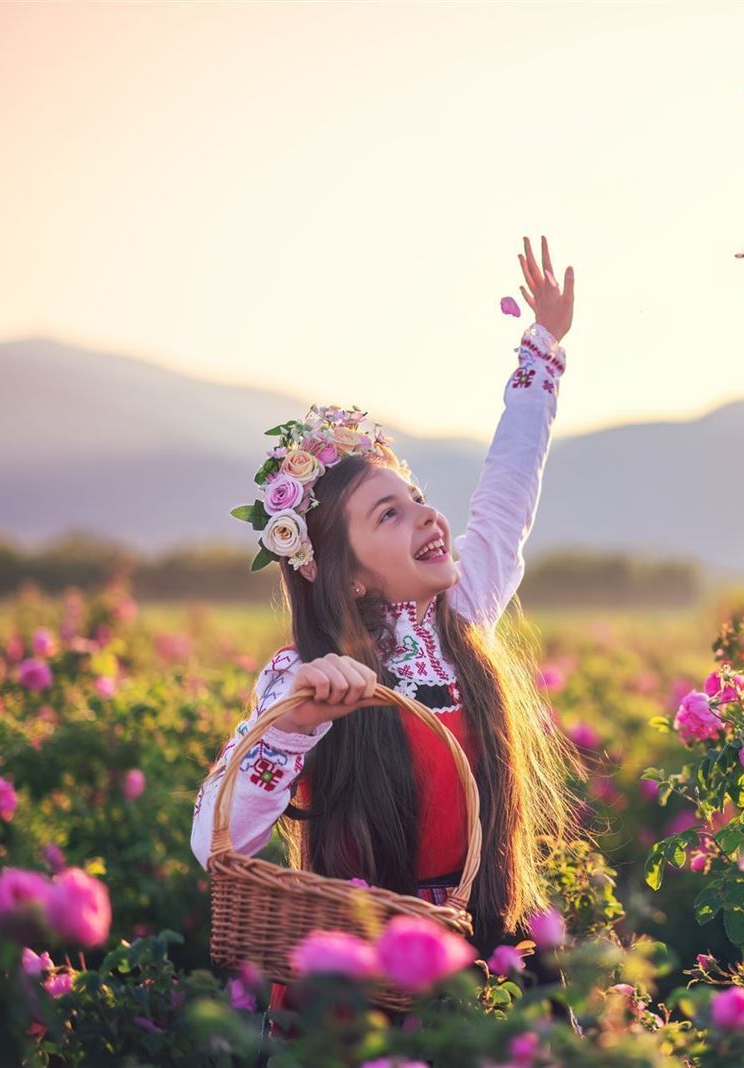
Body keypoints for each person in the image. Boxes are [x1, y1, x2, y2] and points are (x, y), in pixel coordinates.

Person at [190, 236, 586, 1035]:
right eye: (389, 514)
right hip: (359, 981)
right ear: (352, 573)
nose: (427, 516)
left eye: (417, 497)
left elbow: (508, 488)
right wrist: (298, 724)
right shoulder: (303, 678)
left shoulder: (465, 610)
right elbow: (214, 843)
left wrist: (542, 349)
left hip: (483, 947)